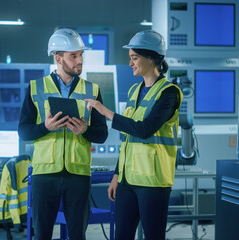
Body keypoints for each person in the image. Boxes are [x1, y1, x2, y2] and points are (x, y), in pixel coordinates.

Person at [85, 30, 183, 239]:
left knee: (153, 236)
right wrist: (116, 175)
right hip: (128, 181)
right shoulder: (134, 91)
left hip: (153, 181)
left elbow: (145, 130)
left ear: (151, 57)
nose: (130, 63)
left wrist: (106, 111)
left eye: (134, 58)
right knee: (122, 235)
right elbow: (128, 139)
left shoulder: (169, 93)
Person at [18, 28, 108, 240]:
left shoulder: (92, 90)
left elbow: (101, 134)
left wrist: (85, 131)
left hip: (78, 175)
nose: (79, 61)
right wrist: (45, 128)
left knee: (78, 235)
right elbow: (23, 131)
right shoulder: (35, 88)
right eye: (73, 56)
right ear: (58, 58)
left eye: (81, 55)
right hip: (44, 174)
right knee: (42, 235)